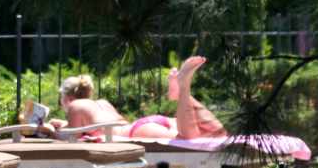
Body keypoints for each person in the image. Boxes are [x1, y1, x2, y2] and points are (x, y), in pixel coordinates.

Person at [51, 55, 227, 140]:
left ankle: (184, 87)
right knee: (219, 134)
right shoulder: (101, 103)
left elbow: (71, 141)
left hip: (137, 131)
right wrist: (63, 124)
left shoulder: (75, 106)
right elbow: (90, 127)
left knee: (190, 138)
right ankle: (181, 94)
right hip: (148, 123)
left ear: (67, 99)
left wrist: (48, 131)